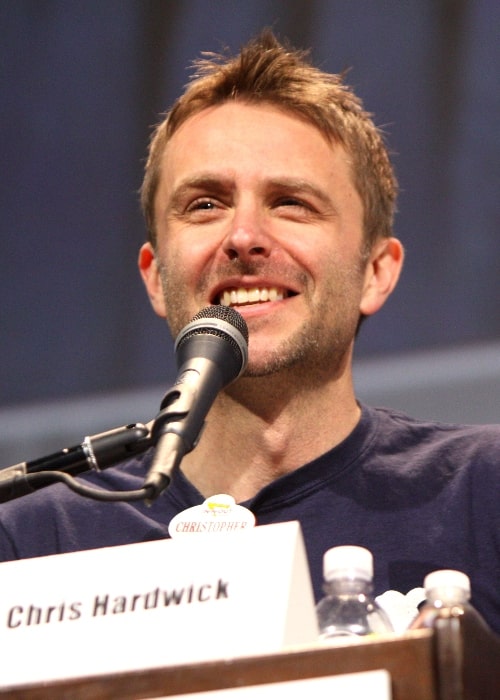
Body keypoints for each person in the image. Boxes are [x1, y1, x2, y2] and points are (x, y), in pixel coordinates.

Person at [0, 30, 499, 635]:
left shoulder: (483, 491)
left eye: (291, 202)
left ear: (375, 272)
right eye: (206, 204)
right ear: (156, 278)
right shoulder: (35, 540)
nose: (243, 237)